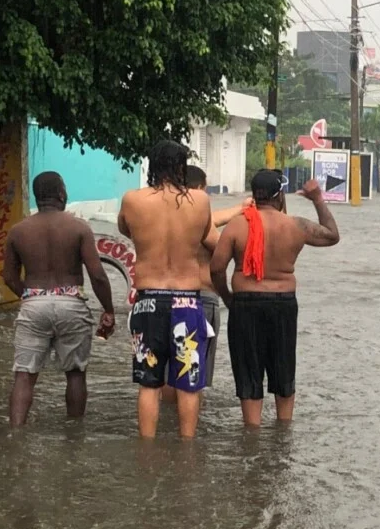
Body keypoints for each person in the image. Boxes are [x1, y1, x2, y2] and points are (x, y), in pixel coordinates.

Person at [210, 173, 340, 427]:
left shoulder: (237, 225)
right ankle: (283, 433)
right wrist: (317, 199)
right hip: (283, 304)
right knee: (283, 368)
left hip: (245, 304)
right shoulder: (295, 225)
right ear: (279, 195)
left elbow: (216, 268)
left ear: (253, 194)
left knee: (249, 372)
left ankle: (252, 436)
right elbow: (332, 235)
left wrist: (228, 298)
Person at [3, 172, 117, 427]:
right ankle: (74, 433)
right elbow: (97, 274)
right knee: (75, 374)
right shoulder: (78, 228)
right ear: (62, 195)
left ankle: (16, 434)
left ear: (37, 197)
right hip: (71, 303)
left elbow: (8, 277)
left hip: (33, 305)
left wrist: (31, 296)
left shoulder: (18, 231)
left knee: (24, 374)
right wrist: (108, 310)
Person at [118, 141, 214, 439]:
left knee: (149, 384)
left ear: (152, 165)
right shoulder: (200, 201)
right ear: (183, 167)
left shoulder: (133, 200)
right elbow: (206, 235)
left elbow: (125, 229)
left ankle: (146, 451)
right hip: (187, 302)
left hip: (148, 303)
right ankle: (187, 450)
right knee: (189, 383)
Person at [157, 166, 251, 407]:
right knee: (193, 373)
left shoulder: (165, 218)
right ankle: (188, 434)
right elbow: (220, 249)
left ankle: (167, 427)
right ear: (199, 190)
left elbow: (209, 222)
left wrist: (238, 209)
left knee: (169, 370)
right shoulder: (199, 221)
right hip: (201, 299)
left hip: (167, 296)